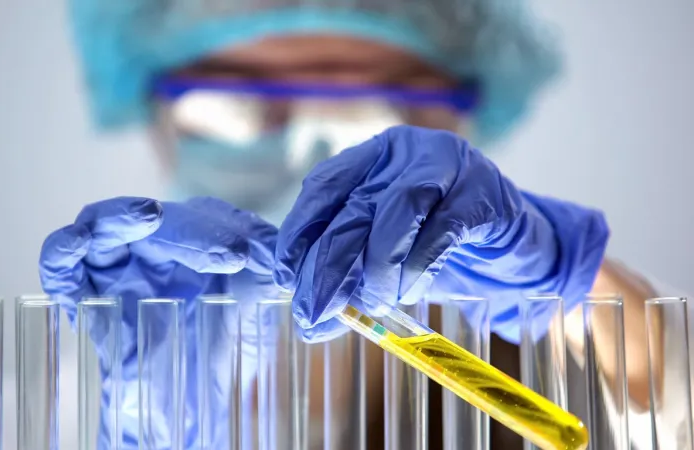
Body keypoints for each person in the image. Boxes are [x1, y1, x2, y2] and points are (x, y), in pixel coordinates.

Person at [37, 1, 683, 448]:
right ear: (156, 120)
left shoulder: (553, 378)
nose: (307, 154)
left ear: (461, 125)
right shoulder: (21, 414)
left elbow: (665, 398)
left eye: (374, 108)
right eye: (237, 104)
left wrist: (569, 274)